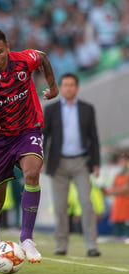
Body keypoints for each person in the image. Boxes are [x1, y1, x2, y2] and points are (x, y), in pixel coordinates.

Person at [0, 28, 59, 273]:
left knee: (31, 174)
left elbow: (43, 58)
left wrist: (53, 87)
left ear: (7, 47)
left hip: (28, 129)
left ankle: (26, 238)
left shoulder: (23, 60)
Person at [43, 72, 101, 257]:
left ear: (77, 87)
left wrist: (96, 163)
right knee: (60, 207)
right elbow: (45, 136)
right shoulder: (51, 109)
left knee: (86, 202)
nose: (68, 88)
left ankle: (92, 245)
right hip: (57, 162)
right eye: (65, 85)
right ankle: (61, 245)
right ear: (60, 88)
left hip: (81, 162)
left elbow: (94, 136)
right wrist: (40, 159)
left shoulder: (87, 108)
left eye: (71, 85)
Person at [105, 152, 129, 241]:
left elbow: (125, 189)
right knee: (117, 235)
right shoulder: (118, 175)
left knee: (125, 235)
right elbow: (112, 189)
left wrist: (116, 191)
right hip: (117, 208)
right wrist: (117, 191)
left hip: (126, 208)